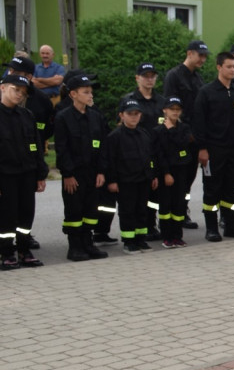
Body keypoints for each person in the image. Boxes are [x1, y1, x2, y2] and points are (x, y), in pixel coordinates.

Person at [193, 51, 234, 242]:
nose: (233, 70)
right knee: (212, 189)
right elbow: (199, 122)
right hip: (213, 151)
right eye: (229, 66)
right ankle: (211, 228)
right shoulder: (206, 93)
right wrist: (202, 149)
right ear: (219, 67)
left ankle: (231, 226)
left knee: (232, 190)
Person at [53, 74, 110, 261]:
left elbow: (102, 145)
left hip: (93, 173)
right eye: (85, 92)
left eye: (90, 92)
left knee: (91, 210)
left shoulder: (95, 117)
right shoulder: (63, 117)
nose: (89, 95)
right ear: (73, 94)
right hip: (74, 174)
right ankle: (75, 247)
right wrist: (68, 174)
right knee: (74, 211)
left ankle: (88, 243)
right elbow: (62, 149)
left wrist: (102, 171)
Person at [0, 74, 47, 269]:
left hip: (27, 173)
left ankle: (24, 249)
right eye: (15, 90)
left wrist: (41, 174)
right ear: (2, 88)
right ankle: (6, 253)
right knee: (7, 216)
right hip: (5, 175)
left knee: (26, 213)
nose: (19, 95)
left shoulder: (27, 116)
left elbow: (36, 146)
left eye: (22, 92)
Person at [102, 97, 158, 253]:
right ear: (121, 115)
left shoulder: (144, 134)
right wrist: (112, 181)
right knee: (128, 211)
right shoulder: (115, 136)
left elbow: (151, 157)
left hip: (144, 179)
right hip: (126, 181)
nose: (134, 117)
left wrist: (153, 175)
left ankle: (141, 239)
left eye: (137, 114)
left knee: (142, 210)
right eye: (130, 114)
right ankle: (129, 240)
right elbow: (110, 161)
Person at [164, 40, 209, 230]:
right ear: (189, 53)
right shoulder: (174, 76)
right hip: (179, 136)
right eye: (200, 55)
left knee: (189, 178)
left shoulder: (198, 78)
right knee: (177, 177)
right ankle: (172, 214)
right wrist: (182, 133)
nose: (203, 59)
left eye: (205, 56)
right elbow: (171, 108)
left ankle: (182, 211)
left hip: (195, 136)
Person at [125, 62, 165, 240]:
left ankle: (151, 224)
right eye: (145, 76)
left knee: (155, 193)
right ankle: (137, 227)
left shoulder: (162, 101)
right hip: (137, 153)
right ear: (137, 78)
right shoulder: (130, 100)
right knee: (138, 194)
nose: (149, 79)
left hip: (157, 152)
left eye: (152, 76)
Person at [154, 97, 193, 248]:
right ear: (165, 110)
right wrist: (166, 173)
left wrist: (172, 130)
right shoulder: (158, 130)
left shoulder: (184, 128)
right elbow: (160, 153)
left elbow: (183, 143)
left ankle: (177, 235)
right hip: (167, 172)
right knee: (166, 206)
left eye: (178, 109)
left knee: (179, 205)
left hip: (182, 171)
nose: (175, 112)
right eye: (172, 109)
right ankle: (167, 236)